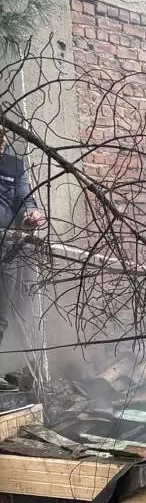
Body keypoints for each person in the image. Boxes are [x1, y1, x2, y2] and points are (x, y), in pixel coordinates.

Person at [0, 131, 45, 352]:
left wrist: (30, 215)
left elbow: (23, 199)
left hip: (6, 248)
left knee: (1, 315)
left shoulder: (16, 165)